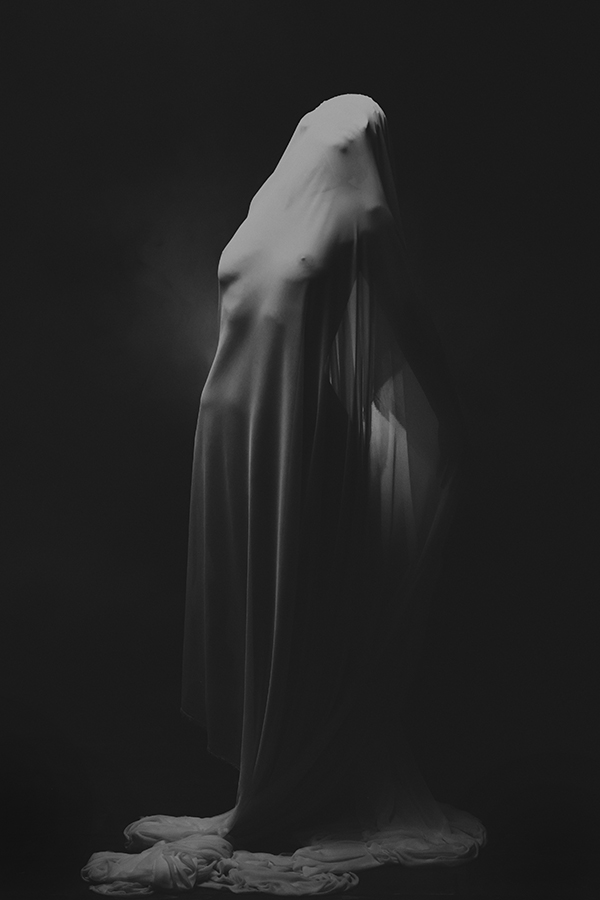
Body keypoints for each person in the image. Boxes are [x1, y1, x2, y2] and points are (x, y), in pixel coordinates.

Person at [82, 94, 485, 896]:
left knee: (287, 609)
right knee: (251, 606)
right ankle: (261, 787)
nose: (338, 139)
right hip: (234, 436)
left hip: (299, 437)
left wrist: (451, 418)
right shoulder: (272, 202)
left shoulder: (367, 218)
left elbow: (405, 318)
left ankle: (266, 805)